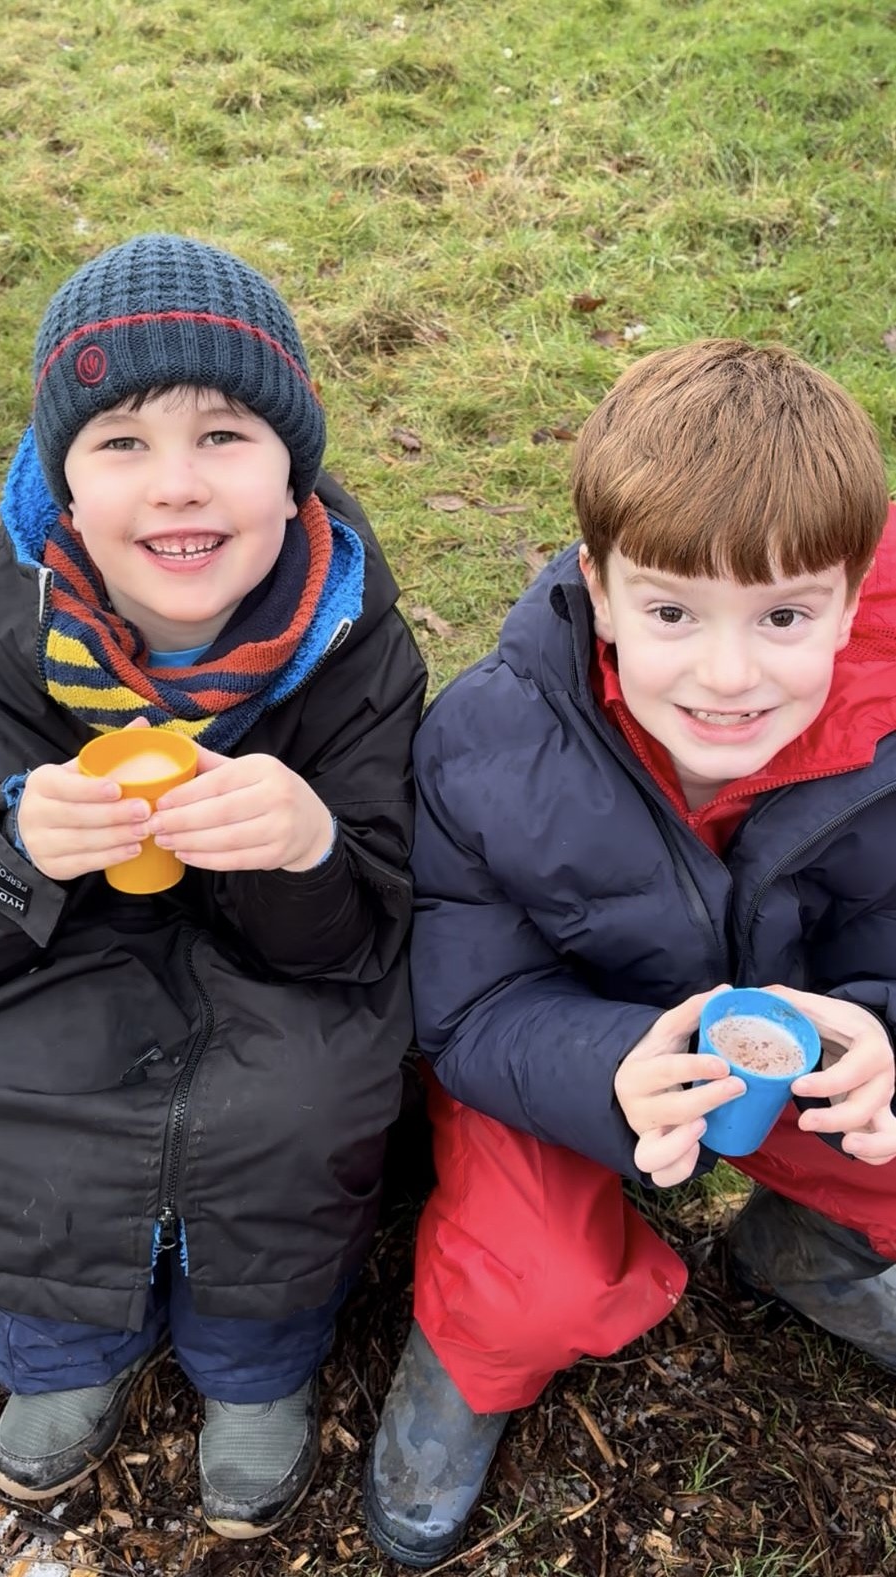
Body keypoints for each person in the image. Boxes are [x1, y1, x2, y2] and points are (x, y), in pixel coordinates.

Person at [362, 339, 896, 1568]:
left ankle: (810, 1250)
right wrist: (610, 1067)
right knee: (526, 1286)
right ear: (598, 589)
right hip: (563, 1063)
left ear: (852, 598)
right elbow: (472, 1006)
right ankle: (474, 1357)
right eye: (671, 611)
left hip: (797, 1061)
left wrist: (880, 1032)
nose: (728, 674)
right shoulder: (487, 749)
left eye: (784, 615)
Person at [0, 233, 426, 1537]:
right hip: (58, 970)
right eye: (121, 442)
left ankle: (254, 1365)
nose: (176, 486)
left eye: (224, 435)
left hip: (279, 977)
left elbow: (371, 928)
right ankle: (61, 1351)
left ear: (291, 468)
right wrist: (8, 849)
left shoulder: (357, 648)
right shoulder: (13, 641)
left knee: (305, 1105)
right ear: (63, 484)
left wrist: (307, 848)